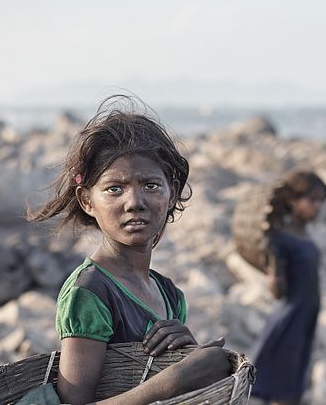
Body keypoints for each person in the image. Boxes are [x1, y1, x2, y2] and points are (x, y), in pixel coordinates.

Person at [28, 95, 230, 405]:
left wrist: (188, 351)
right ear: (87, 201)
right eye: (114, 189)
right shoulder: (90, 292)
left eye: (150, 185)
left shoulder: (169, 294)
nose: (134, 202)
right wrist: (176, 379)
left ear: (172, 193)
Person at [249, 169, 326, 405]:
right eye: (312, 200)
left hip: (306, 317)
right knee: (282, 385)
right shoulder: (281, 240)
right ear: (293, 201)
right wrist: (275, 279)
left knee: (294, 382)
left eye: (321, 201)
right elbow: (277, 293)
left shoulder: (305, 236)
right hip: (291, 318)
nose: (318, 207)